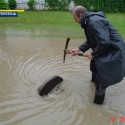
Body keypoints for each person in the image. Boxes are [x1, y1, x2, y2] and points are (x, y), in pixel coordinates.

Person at [68, 6, 125, 104]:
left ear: (80, 15)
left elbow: (104, 42)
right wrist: (79, 49)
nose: (74, 20)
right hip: (106, 47)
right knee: (94, 67)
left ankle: (97, 107)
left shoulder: (94, 22)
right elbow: (92, 40)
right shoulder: (88, 21)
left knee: (101, 80)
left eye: (75, 18)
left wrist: (93, 53)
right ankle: (92, 86)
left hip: (114, 50)